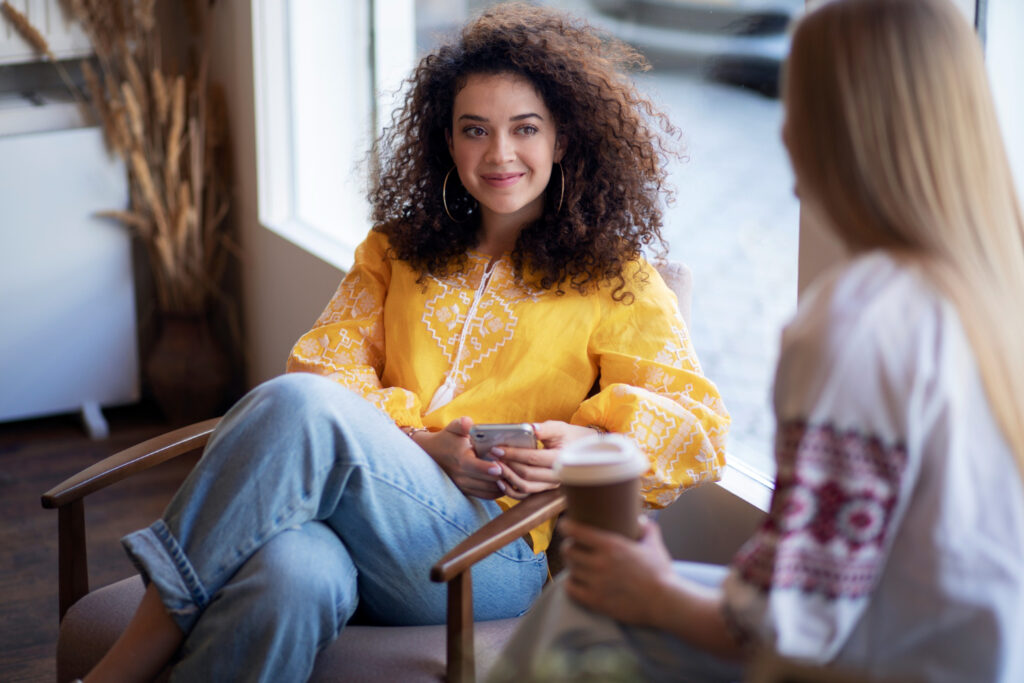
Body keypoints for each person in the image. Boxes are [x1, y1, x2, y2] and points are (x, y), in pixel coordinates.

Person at [83, 3, 729, 681]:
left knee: (296, 404)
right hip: (360, 530)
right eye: (474, 130)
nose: (500, 153)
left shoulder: (615, 278)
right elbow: (327, 366)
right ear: (447, 142)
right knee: (291, 571)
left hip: (488, 556)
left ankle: (123, 664)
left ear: (563, 139)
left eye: (525, 129)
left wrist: (586, 452)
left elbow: (700, 427)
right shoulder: (394, 252)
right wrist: (424, 447)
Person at [489, 0, 1024, 681]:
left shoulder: (859, 326)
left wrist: (650, 589)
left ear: (843, 127)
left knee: (576, 610)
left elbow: (791, 621)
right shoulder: (991, 287)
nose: (785, 133)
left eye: (798, 104)